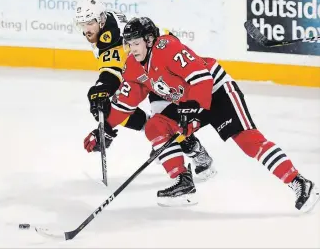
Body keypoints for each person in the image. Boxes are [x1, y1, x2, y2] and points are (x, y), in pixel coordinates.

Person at [84, 16, 320, 211]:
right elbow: (124, 104)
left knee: (249, 142)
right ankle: (182, 183)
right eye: (128, 44)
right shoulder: (134, 67)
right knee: (156, 126)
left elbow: (201, 77)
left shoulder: (166, 47)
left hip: (216, 91)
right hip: (188, 102)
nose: (131, 49)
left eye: (135, 43)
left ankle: (299, 182)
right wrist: (105, 128)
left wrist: (194, 114)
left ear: (149, 40)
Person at [75, 0, 216, 180]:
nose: (86, 29)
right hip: (142, 72)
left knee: (166, 121)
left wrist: (101, 89)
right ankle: (159, 136)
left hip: (160, 68)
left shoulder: (110, 36)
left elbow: (112, 72)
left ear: (101, 20)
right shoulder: (107, 23)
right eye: (82, 24)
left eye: (90, 22)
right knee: (120, 108)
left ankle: (196, 152)